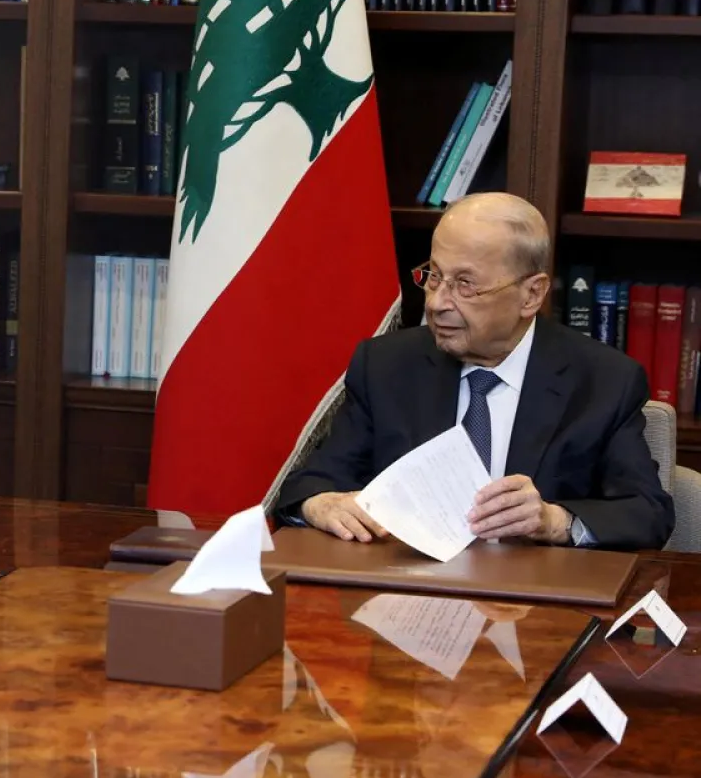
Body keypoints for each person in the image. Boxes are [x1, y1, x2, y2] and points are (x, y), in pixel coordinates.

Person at [275, 192, 673, 551]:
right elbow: (311, 484)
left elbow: (647, 513)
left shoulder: (603, 381)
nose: (437, 303)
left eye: (465, 285)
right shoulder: (386, 366)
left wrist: (554, 521)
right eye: (434, 276)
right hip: (408, 590)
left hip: (534, 597)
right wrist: (321, 504)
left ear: (531, 294)